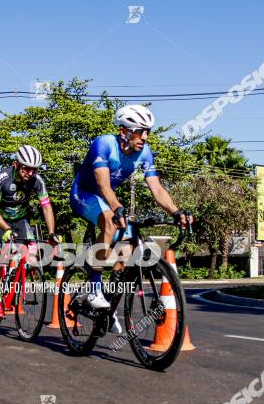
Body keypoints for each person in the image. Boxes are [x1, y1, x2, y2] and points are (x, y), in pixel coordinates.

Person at [70, 104, 191, 309]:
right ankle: (94, 287)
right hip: (84, 194)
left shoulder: (145, 153)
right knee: (110, 222)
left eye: (148, 132)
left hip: (107, 198)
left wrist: (176, 211)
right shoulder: (104, 144)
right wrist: (117, 207)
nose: (144, 137)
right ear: (123, 131)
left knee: (129, 243)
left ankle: (111, 297)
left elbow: (157, 188)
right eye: (139, 131)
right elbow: (103, 184)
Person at [0, 144, 59, 319]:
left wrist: (51, 233)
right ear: (15, 164)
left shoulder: (37, 181)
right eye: (26, 169)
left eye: (34, 170)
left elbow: (46, 207)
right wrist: (5, 228)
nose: (30, 173)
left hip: (20, 219)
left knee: (31, 252)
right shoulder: (2, 178)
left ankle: (17, 277)